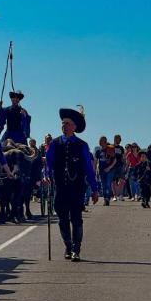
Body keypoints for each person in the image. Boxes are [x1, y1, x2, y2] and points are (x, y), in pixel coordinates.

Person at [44, 108, 99, 262]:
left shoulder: (82, 145)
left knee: (76, 218)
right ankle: (68, 246)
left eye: (67, 124)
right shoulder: (54, 144)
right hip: (61, 188)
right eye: (63, 123)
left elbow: (89, 169)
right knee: (62, 219)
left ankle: (76, 249)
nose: (64, 126)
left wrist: (94, 190)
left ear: (74, 127)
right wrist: (46, 175)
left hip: (77, 189)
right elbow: (48, 164)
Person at [95, 136, 115, 206]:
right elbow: (96, 161)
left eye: (102, 141)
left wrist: (109, 167)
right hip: (101, 170)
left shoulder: (110, 149)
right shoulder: (98, 151)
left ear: (105, 142)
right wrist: (95, 170)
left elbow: (115, 160)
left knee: (108, 184)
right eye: (100, 141)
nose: (100, 142)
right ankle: (105, 198)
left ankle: (107, 199)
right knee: (103, 185)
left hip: (110, 170)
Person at [111, 134, 127, 201]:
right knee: (113, 181)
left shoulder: (121, 148)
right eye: (118, 139)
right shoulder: (111, 147)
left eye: (120, 139)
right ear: (115, 139)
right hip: (112, 166)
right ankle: (114, 196)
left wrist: (125, 164)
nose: (119, 140)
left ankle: (120, 195)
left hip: (120, 165)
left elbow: (123, 157)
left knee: (122, 181)